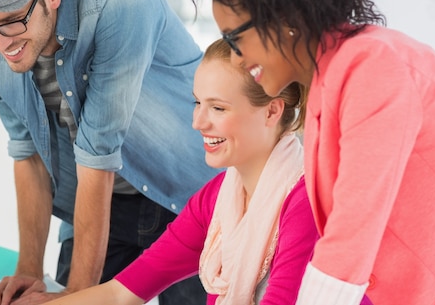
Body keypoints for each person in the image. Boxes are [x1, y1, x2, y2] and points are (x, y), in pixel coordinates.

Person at [171, 0, 435, 305]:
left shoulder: (370, 66)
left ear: (283, 18)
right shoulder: (327, 84)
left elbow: (350, 238)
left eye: (235, 40)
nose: (238, 60)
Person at [0, 0, 220, 305]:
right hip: (96, 205)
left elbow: (99, 153)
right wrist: (30, 272)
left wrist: (77, 296)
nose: (0, 43)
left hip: (187, 198)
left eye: (11, 22)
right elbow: (27, 152)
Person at [38, 37, 333, 305]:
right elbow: (121, 292)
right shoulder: (217, 199)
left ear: (272, 111)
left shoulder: (307, 203)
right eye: (197, 103)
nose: (198, 122)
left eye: (218, 108)